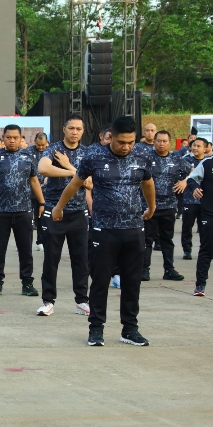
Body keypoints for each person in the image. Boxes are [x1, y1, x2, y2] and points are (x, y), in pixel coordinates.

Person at [53, 116, 155, 347]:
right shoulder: (94, 157)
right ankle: (96, 328)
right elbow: (75, 183)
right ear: (111, 137)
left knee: (132, 283)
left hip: (133, 229)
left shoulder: (142, 157)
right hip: (104, 229)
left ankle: (130, 329)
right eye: (121, 142)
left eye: (130, 142)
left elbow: (148, 183)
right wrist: (59, 207)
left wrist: (151, 206)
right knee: (100, 282)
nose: (126, 147)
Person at [36, 114, 91, 316]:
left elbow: (90, 183)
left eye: (78, 129)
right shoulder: (54, 149)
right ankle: (48, 301)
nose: (75, 132)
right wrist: (74, 173)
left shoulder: (88, 152)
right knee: (51, 258)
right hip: (54, 211)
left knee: (81, 259)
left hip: (78, 212)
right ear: (64, 129)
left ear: (83, 131)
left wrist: (68, 166)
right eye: (71, 128)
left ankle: (82, 301)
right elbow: (43, 168)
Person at [0, 124, 45, 297]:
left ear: (21, 138)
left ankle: (27, 283)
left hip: (23, 210)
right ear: (3, 138)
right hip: (0, 211)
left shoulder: (28, 156)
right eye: (8, 137)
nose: (12, 140)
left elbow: (34, 181)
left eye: (15, 137)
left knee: (25, 250)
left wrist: (41, 202)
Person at [141, 130, 190, 282]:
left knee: (167, 239)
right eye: (159, 141)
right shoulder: (145, 158)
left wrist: (185, 181)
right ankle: (144, 270)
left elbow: (194, 172)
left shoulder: (177, 159)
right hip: (149, 206)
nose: (161, 144)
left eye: (164, 141)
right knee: (146, 240)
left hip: (169, 206)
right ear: (154, 142)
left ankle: (169, 269)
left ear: (170, 143)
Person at [186, 133, 213, 297]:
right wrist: (195, 187)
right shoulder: (207, 163)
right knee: (206, 250)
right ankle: (200, 285)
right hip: (210, 215)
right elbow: (191, 179)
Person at [181, 138, 209, 260]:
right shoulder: (185, 161)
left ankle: (206, 250)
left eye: (198, 146)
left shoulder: (209, 162)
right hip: (189, 199)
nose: (195, 148)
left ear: (205, 149)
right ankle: (187, 250)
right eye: (194, 145)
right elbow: (179, 177)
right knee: (187, 226)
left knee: (205, 227)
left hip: (205, 200)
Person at [24, 133, 49, 251]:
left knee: (41, 218)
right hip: (29, 190)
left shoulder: (50, 152)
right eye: (38, 145)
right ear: (34, 141)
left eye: (43, 145)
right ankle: (25, 243)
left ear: (47, 142)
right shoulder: (27, 152)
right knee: (27, 218)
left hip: (45, 191)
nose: (41, 147)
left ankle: (40, 241)